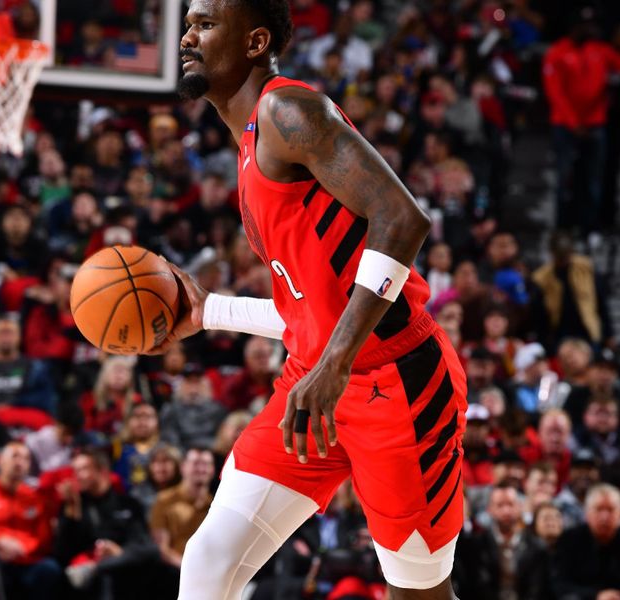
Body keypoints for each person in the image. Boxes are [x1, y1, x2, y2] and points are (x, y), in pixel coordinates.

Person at [147, 1, 468, 597]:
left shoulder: (285, 110)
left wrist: (335, 365)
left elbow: (402, 221)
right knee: (210, 557)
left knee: (416, 592)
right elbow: (311, 312)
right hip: (315, 379)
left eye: (206, 24)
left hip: (396, 384)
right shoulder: (248, 139)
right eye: (188, 22)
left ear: (254, 41)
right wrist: (210, 311)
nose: (188, 36)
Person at [542, 6, 620, 240]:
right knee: (565, 179)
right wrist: (574, 123)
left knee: (593, 181)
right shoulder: (556, 53)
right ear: (575, 28)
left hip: (595, 124)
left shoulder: (600, 50)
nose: (592, 29)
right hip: (565, 126)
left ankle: (589, 228)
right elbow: (555, 94)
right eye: (586, 25)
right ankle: (562, 228)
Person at [55, 448, 160, 599]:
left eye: (83, 469)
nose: (77, 476)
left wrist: (119, 551)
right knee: (106, 575)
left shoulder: (128, 503)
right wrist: (71, 513)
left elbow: (141, 542)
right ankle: (99, 567)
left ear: (103, 471)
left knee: (153, 553)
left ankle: (97, 568)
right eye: (75, 470)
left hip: (126, 564)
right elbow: (62, 553)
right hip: (90, 573)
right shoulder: (75, 504)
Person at [0, 442, 61, 600]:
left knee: (50, 569)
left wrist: (23, 549)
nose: (20, 462)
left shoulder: (35, 498)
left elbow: (44, 539)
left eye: (26, 458)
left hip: (27, 561)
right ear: (0, 460)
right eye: (15, 456)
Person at [551, 483, 620, 600]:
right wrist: (596, 596)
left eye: (611, 510)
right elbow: (560, 585)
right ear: (587, 513)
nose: (604, 517)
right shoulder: (569, 539)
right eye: (599, 509)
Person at [149, 447, 216, 569]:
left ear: (212, 470)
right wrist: (188, 569)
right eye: (196, 464)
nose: (201, 469)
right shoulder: (164, 500)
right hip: (172, 572)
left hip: (208, 571)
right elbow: (161, 548)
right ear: (183, 467)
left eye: (206, 464)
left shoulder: (216, 505)